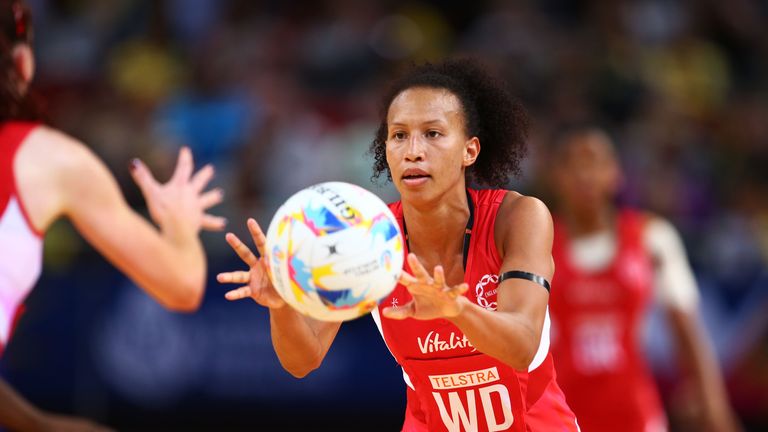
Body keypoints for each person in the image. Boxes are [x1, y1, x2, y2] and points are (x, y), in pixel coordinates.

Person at [219, 59, 580, 431]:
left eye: (433, 134)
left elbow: (521, 347)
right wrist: (281, 306)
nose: (413, 151)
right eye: (399, 135)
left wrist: (456, 310)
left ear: (469, 151)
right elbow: (303, 360)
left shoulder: (517, 217)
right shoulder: (367, 234)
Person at [0, 1, 226, 430]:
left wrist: (36, 423)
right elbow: (182, 286)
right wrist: (180, 226)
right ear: (23, 63)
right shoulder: (46, 160)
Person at [546, 126, 740, 432]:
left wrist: (715, 410)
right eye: (571, 163)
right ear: (555, 175)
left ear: (616, 173)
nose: (584, 173)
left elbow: (688, 333)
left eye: (594, 161)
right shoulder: (536, 242)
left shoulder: (653, 237)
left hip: (634, 412)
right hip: (561, 411)